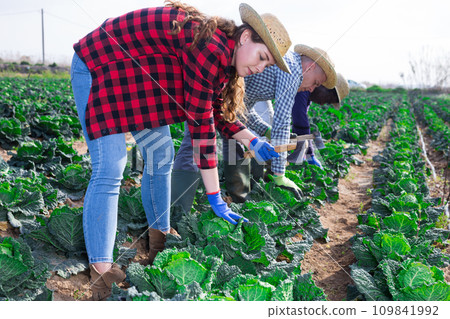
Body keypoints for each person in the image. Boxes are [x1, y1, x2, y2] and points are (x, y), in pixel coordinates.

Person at [71, 0, 291, 300]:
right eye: (262, 57)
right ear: (244, 38)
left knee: (161, 156)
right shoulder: (212, 47)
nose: (259, 67)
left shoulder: (225, 60)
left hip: (136, 82)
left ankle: (158, 238)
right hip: (99, 66)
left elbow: (215, 112)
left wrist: (251, 140)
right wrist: (215, 198)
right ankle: (101, 270)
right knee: (111, 167)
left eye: (266, 65)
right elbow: (202, 129)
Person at [172, 44, 336, 206]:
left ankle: (236, 200)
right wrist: (279, 175)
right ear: (310, 67)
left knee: (229, 142)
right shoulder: (293, 70)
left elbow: (242, 112)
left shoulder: (288, 68)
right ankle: (177, 212)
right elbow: (283, 121)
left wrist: (266, 130)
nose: (312, 89)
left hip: (225, 99)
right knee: (194, 144)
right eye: (315, 82)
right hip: (212, 89)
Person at [287, 73, 350, 167]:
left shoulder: (309, 95)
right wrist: (309, 154)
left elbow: (300, 124)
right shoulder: (304, 88)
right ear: (324, 85)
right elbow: (300, 121)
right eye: (328, 99)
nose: (322, 103)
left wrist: (307, 153)